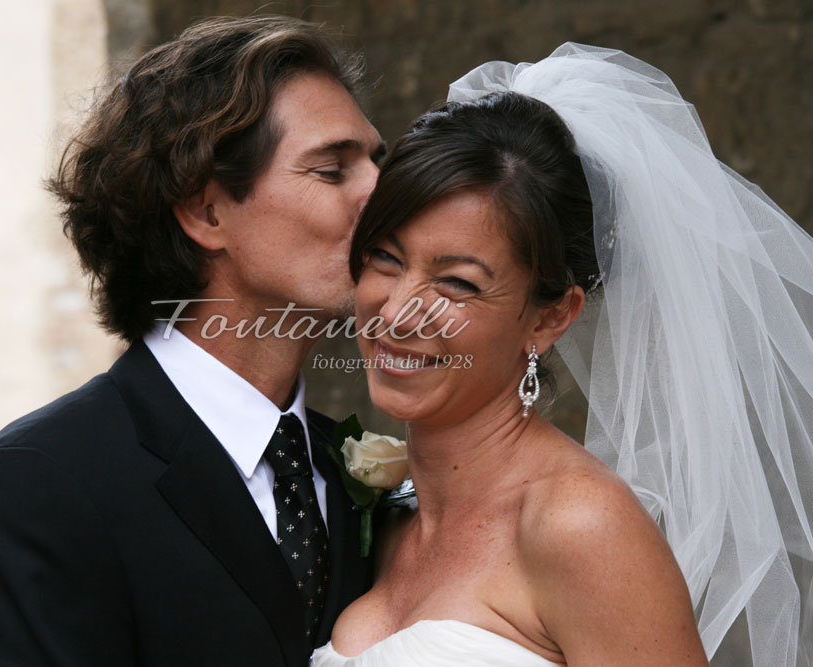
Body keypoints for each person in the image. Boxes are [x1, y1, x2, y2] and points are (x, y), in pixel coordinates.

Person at [312, 44, 813, 666]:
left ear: (550, 318)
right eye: (385, 258)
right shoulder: (380, 516)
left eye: (458, 283)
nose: (395, 312)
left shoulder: (580, 526)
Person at [0, 16, 384, 666]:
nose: (381, 189)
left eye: (378, 160)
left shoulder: (363, 473)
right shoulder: (35, 486)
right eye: (333, 168)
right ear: (206, 212)